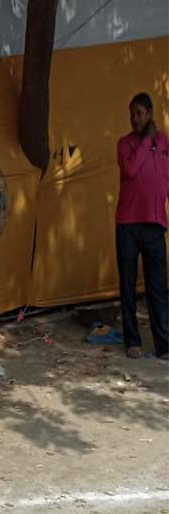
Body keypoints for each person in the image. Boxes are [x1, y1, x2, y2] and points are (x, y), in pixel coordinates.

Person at [116, 92, 169, 360]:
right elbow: (131, 170)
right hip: (128, 223)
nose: (134, 119)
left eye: (139, 113)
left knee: (157, 285)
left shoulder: (163, 142)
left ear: (149, 113)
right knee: (127, 284)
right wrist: (146, 139)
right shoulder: (125, 144)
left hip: (155, 223)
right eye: (132, 114)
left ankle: (164, 344)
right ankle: (132, 341)